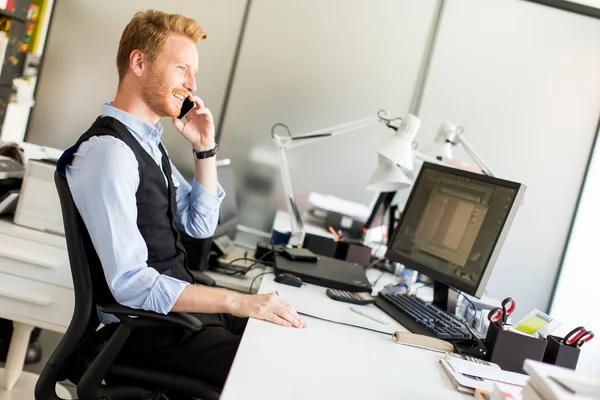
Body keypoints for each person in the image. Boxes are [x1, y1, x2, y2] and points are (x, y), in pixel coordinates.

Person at [57, 9, 306, 390]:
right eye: (181, 69)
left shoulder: (146, 145)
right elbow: (130, 283)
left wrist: (204, 149)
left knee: (289, 338)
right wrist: (234, 301)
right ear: (138, 62)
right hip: (143, 334)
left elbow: (199, 225)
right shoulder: (110, 153)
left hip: (172, 320)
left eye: (194, 73)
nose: (191, 84)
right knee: (279, 371)